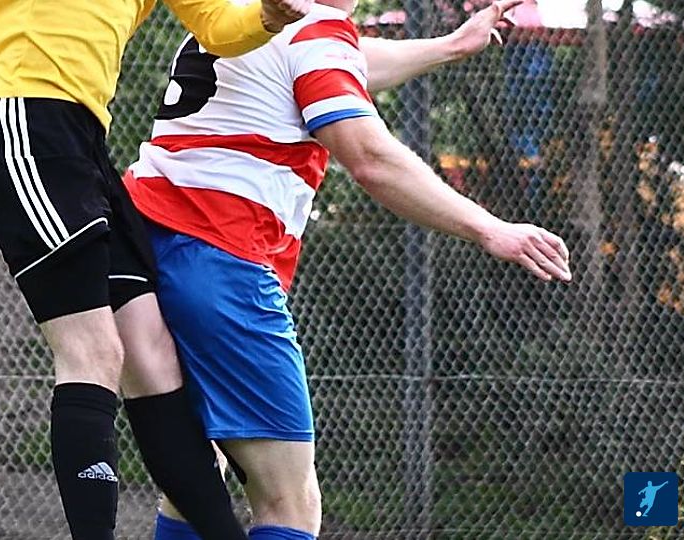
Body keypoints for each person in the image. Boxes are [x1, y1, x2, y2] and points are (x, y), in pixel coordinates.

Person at [123, 1, 571, 538]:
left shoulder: (241, 15)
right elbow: (370, 160)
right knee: (289, 500)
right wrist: (489, 228)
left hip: (141, 244)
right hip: (221, 263)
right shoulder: (316, 33)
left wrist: (450, 46)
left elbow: (342, 61)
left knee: (196, 474)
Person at [0, 0, 314, 538]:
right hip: (18, 110)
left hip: (81, 134)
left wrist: (269, 16)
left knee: (151, 352)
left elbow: (216, 25)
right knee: (94, 350)